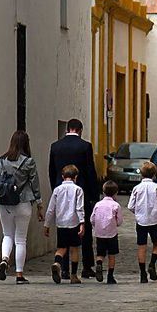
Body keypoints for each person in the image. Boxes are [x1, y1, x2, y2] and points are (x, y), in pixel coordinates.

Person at [48, 118, 100, 280]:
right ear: (80, 130)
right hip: (81, 192)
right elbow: (90, 171)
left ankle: (63, 268)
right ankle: (86, 267)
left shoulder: (55, 146)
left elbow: (51, 171)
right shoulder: (85, 146)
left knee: (63, 230)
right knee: (83, 231)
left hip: (60, 190)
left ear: (68, 129)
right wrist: (94, 195)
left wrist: (56, 189)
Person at [0, 130, 44, 284]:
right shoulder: (28, 162)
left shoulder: (0, 161)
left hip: (4, 203)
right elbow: (35, 184)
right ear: (26, 144)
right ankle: (19, 274)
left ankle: (4, 259)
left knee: (7, 235)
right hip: (23, 203)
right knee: (20, 239)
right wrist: (40, 205)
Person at [43, 164, 86, 284]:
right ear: (75, 177)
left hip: (61, 223)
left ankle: (57, 262)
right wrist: (82, 223)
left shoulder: (57, 190)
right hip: (73, 223)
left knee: (61, 248)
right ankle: (73, 276)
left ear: (63, 177)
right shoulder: (78, 190)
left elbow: (51, 208)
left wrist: (46, 224)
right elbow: (79, 208)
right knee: (74, 249)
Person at [127, 161, 157, 283]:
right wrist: (156, 211)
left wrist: (138, 213)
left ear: (141, 174)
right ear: (154, 174)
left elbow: (130, 206)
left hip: (141, 221)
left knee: (141, 246)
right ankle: (152, 264)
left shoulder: (137, 188)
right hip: (154, 220)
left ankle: (142, 273)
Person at [89, 180, 123, 284]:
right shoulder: (116, 205)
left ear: (103, 192)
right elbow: (119, 220)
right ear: (116, 193)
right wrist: (115, 224)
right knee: (111, 255)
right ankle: (110, 276)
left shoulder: (98, 204)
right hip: (112, 233)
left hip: (100, 234)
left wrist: (96, 226)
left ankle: (99, 263)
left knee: (100, 253)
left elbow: (92, 218)